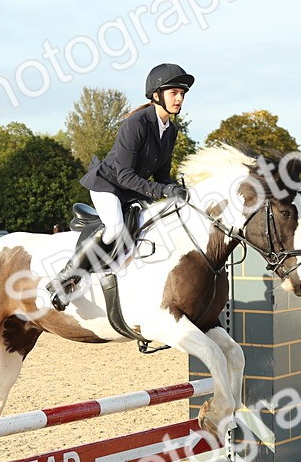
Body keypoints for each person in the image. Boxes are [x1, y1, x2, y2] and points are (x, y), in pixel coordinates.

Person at [46, 63, 194, 310]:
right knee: (115, 228)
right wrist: (162, 191)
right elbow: (124, 175)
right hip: (108, 185)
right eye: (174, 93)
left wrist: (178, 191)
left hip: (132, 191)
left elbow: (162, 176)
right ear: (156, 95)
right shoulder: (136, 123)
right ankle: (64, 278)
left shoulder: (171, 131)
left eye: (182, 94)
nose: (179, 98)